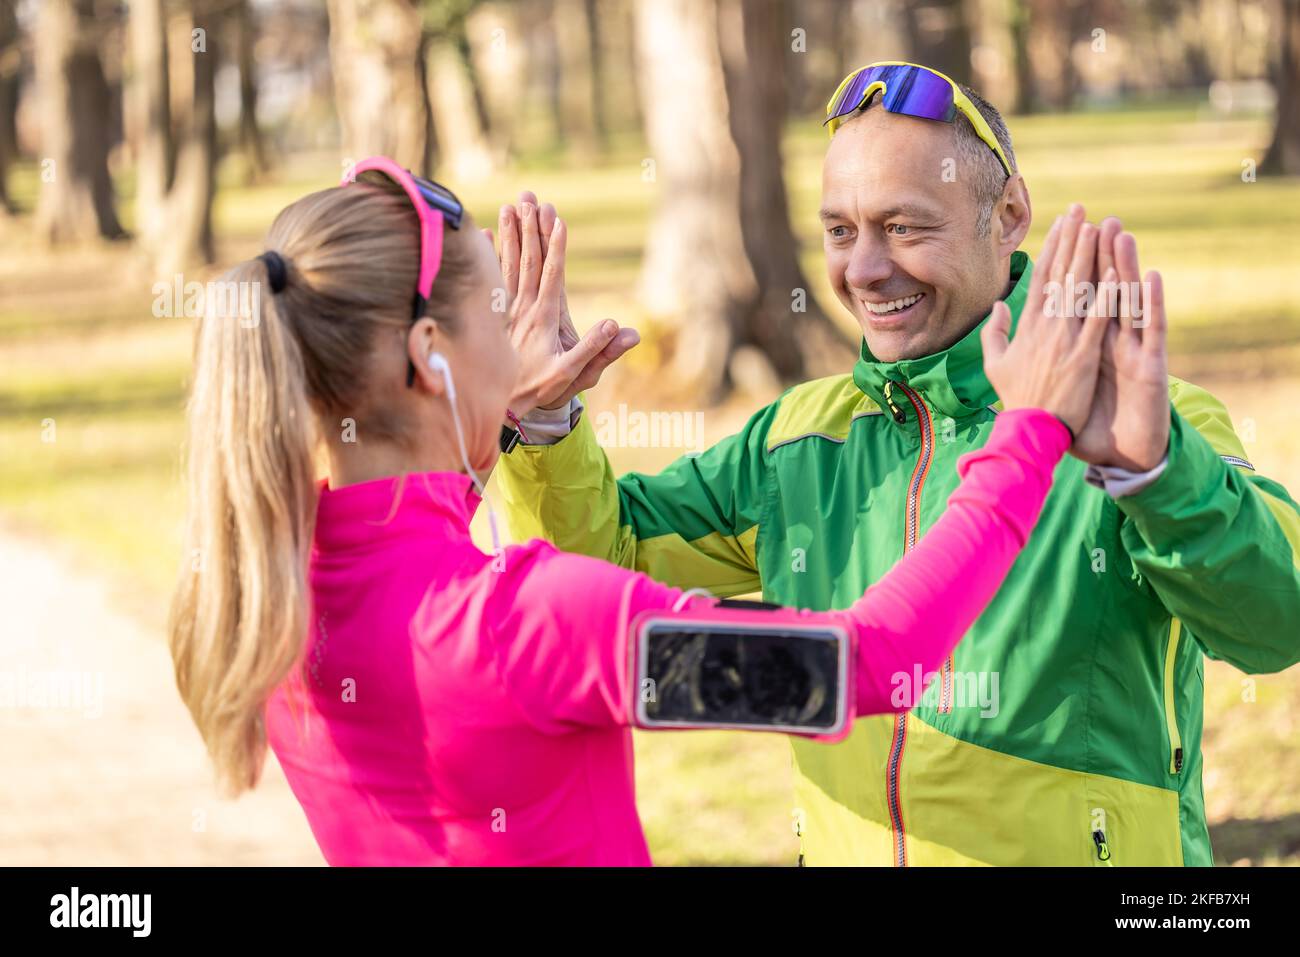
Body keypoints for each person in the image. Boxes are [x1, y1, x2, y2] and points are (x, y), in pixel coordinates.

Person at [167, 155, 1106, 866]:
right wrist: (1027, 434)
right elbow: (858, 667)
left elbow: (404, 538)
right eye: (497, 310)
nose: (517, 330)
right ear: (429, 357)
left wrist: (504, 420)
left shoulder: (272, 587)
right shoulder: (539, 621)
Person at [494, 61, 1300, 866]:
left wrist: (1156, 472)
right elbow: (600, 571)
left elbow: (1276, 622)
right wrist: (543, 424)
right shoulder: (793, 441)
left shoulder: (1143, 419)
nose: (865, 269)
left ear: (1009, 214)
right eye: (841, 230)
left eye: (904, 227)